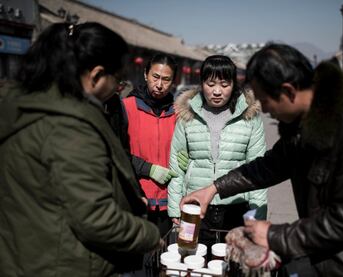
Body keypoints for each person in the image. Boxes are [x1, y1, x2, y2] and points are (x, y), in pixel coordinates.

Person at [180, 44, 343, 276]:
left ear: (288, 91)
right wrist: (213, 188)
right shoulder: (302, 122)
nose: (265, 111)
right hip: (326, 250)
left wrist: (272, 235)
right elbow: (269, 166)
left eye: (266, 101)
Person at [0, 22, 160, 276]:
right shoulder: (69, 126)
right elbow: (95, 218)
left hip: (25, 255)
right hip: (59, 263)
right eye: (117, 79)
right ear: (96, 75)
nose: (118, 88)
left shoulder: (30, 105)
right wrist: (149, 234)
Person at [168, 55, 268, 252]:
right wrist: (174, 208)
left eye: (224, 84)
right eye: (210, 83)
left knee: (232, 263)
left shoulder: (250, 117)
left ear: (234, 84)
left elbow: (258, 171)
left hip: (236, 208)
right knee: (193, 261)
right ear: (202, 83)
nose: (216, 91)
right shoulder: (187, 116)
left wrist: (257, 216)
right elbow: (177, 166)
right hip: (194, 208)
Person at [122, 53, 187, 237]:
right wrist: (148, 169)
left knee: (161, 257)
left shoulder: (179, 113)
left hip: (168, 201)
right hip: (136, 197)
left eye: (166, 80)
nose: (159, 85)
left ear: (174, 81)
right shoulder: (126, 107)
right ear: (145, 74)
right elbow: (117, 152)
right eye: (155, 77)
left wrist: (188, 158)